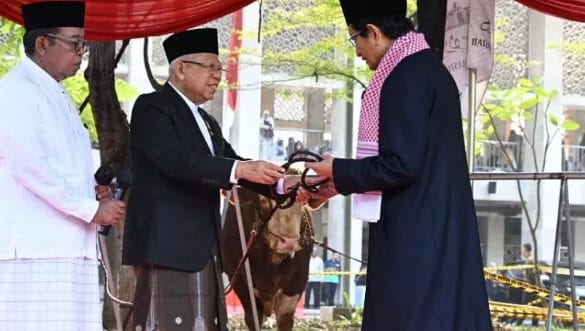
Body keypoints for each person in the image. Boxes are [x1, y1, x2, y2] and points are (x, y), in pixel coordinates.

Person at [304, 0, 492, 329]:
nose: (358, 52)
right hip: (437, 228)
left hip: (415, 239)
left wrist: (338, 169)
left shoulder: (404, 77)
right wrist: (341, 182)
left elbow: (401, 165)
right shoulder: (428, 68)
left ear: (373, 32)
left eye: (355, 40)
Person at [122, 28, 308, 331]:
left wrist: (281, 184)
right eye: (210, 67)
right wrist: (238, 169)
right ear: (181, 69)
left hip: (205, 249)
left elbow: (235, 164)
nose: (217, 76)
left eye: (219, 69)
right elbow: (177, 161)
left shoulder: (207, 121)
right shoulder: (152, 107)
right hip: (169, 248)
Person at [0, 2, 126, 330]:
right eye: (75, 43)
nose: (81, 52)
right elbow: (31, 168)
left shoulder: (55, 93)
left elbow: (60, 166)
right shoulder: (15, 92)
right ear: (43, 44)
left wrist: (91, 192)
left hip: (67, 245)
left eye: (83, 44)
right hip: (36, 250)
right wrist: (89, 207)